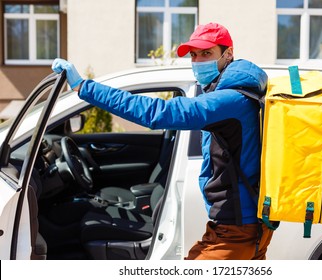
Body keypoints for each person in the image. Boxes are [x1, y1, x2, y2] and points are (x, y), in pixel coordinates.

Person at [52, 22, 273, 260]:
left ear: (228, 54)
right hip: (236, 226)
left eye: (207, 53)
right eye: (194, 55)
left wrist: (85, 87)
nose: (198, 61)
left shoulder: (230, 100)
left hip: (237, 231)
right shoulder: (232, 93)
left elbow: (159, 113)